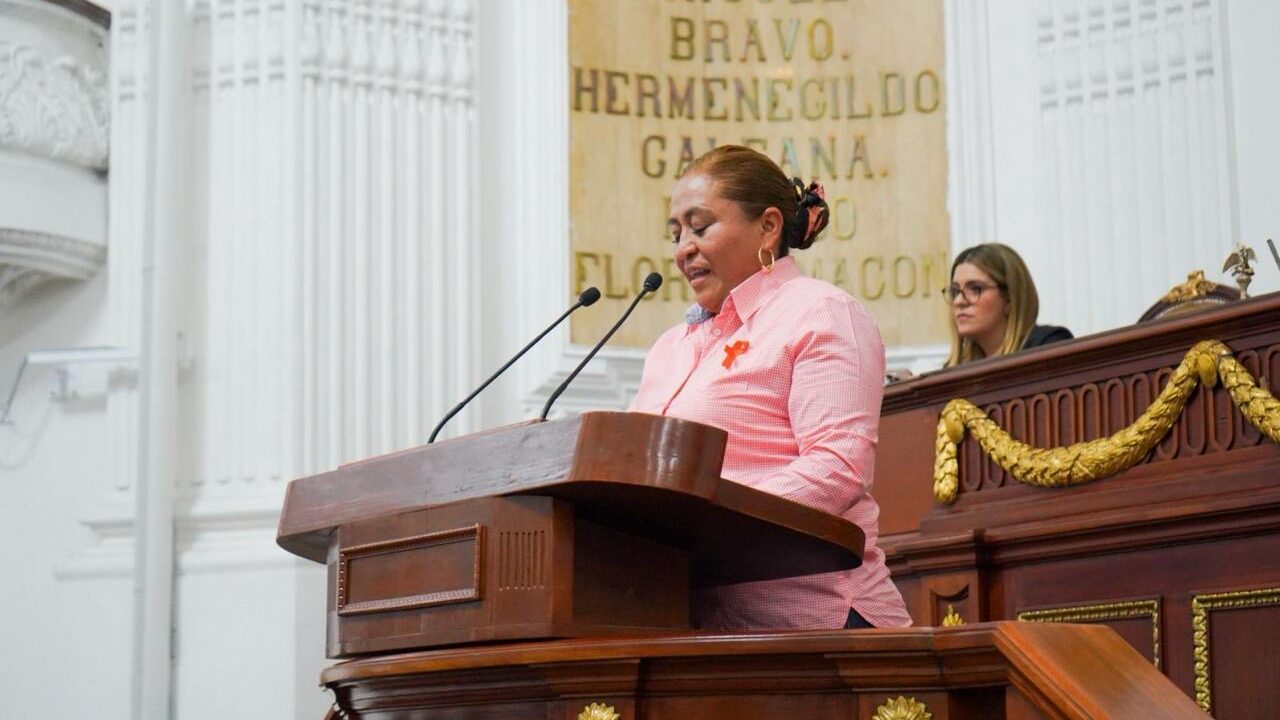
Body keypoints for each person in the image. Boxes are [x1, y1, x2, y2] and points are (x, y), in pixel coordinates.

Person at [629, 145, 911, 630]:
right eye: (676, 234)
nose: (682, 250)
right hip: (688, 626)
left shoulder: (819, 312)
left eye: (700, 227)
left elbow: (836, 470)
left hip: (817, 625)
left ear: (768, 226)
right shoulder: (670, 347)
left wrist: (702, 527)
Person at [944, 243, 1073, 367]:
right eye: (955, 292)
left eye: (976, 289)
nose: (959, 301)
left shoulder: (1047, 347)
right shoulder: (952, 371)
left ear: (1010, 298)